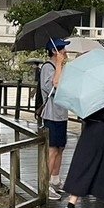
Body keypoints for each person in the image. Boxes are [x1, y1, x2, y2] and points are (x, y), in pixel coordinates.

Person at [39, 38, 70, 199]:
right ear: (54, 51)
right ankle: (45, 184)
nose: (65, 52)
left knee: (60, 148)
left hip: (61, 113)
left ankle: (55, 180)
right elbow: (54, 85)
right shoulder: (48, 67)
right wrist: (58, 64)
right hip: (51, 114)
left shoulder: (61, 67)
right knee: (52, 149)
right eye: (62, 49)